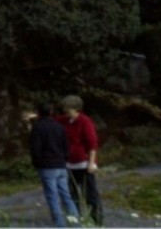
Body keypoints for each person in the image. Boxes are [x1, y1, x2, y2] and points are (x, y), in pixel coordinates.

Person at [29, 101, 79, 227]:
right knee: (66, 194)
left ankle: (59, 223)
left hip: (47, 165)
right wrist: (65, 159)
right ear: (51, 112)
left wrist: (37, 163)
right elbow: (66, 145)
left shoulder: (38, 127)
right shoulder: (59, 126)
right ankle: (75, 221)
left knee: (52, 196)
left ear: (39, 113)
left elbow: (35, 148)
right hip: (61, 163)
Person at [58, 94, 103, 225]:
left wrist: (91, 162)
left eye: (68, 108)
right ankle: (76, 218)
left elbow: (92, 143)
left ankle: (97, 219)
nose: (65, 111)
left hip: (83, 163)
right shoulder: (65, 120)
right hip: (69, 163)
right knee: (72, 194)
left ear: (75, 108)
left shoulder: (85, 121)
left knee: (90, 194)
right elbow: (52, 121)